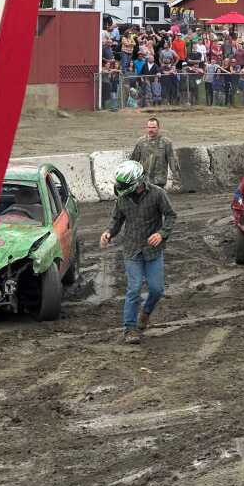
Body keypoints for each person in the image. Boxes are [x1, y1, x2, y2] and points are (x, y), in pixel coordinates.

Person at [100, 160, 177, 345]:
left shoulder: (158, 194)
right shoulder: (122, 198)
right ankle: (130, 329)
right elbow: (116, 220)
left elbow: (171, 215)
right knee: (133, 289)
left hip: (153, 251)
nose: (120, 188)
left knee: (157, 290)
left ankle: (146, 313)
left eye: (124, 185)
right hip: (132, 250)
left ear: (137, 182)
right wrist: (108, 233)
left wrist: (162, 233)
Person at [130, 117, 180, 189]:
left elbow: (173, 162)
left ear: (158, 128)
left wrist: (176, 179)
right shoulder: (141, 142)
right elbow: (133, 162)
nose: (151, 130)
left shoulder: (166, 142)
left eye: (153, 127)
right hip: (143, 181)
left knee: (157, 199)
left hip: (159, 182)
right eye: (149, 127)